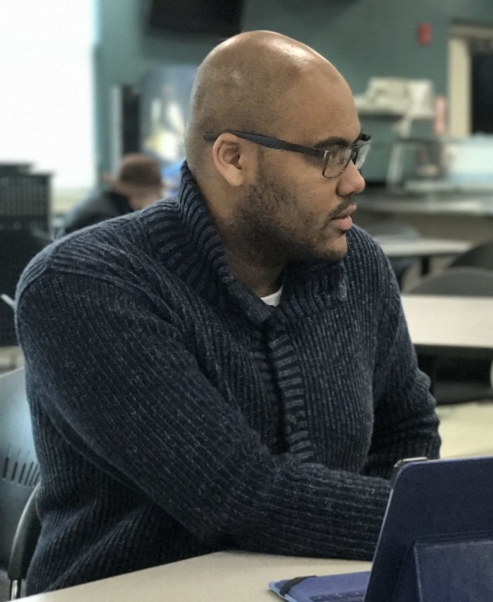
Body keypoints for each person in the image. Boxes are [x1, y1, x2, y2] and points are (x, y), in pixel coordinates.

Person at [15, 31, 440, 593]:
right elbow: (237, 496)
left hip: (321, 583)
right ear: (234, 158)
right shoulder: (84, 284)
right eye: (327, 155)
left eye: (354, 151)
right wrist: (432, 518)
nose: (355, 179)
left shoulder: (355, 263)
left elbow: (407, 431)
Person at [59, 153, 165, 236]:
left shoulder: (104, 203)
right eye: (155, 194)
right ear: (140, 194)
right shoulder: (106, 220)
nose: (158, 199)